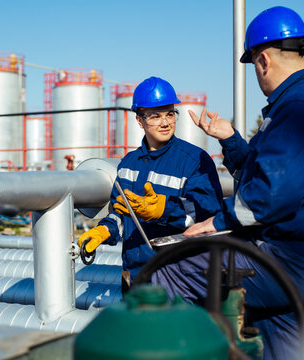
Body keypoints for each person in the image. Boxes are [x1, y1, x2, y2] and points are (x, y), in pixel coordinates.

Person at [150, 6, 304, 360]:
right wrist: (229, 139)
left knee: (171, 268)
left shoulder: (298, 109)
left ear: (263, 61)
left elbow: (270, 196)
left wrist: (216, 222)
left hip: (289, 261)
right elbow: (264, 176)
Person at [77, 76, 223, 290]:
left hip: (178, 275)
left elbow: (207, 213)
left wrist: (164, 210)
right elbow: (121, 212)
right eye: (155, 116)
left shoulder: (194, 161)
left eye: (170, 114)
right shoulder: (129, 163)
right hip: (134, 274)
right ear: (139, 120)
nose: (165, 122)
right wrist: (105, 230)